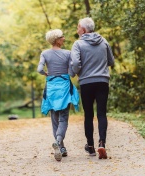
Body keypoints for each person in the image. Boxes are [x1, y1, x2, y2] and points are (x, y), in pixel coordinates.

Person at [71, 17, 115, 159]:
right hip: (103, 81)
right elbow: (111, 61)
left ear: (83, 30)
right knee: (101, 113)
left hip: (86, 82)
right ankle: (101, 142)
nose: (77, 29)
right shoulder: (104, 41)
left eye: (78, 27)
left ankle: (90, 147)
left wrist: (78, 72)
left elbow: (76, 64)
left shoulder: (78, 44)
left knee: (88, 115)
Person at [37, 29, 79, 162]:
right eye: (62, 37)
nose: (64, 38)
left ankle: (61, 147)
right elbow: (72, 73)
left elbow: (39, 69)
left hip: (51, 88)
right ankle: (59, 141)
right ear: (56, 39)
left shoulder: (45, 53)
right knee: (64, 118)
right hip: (64, 87)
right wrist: (70, 72)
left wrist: (46, 74)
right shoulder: (67, 53)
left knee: (54, 119)